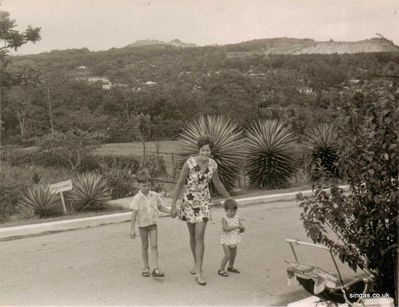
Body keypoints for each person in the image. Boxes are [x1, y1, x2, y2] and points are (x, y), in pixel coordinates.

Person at [171, 135, 232, 286]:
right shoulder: (189, 163)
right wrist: (174, 205)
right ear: (199, 150)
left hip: (204, 202)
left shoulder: (213, 164)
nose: (205, 153)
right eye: (203, 150)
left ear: (211, 151)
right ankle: (196, 263)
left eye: (208, 151)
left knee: (200, 235)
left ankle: (199, 272)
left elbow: (217, 183)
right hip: (189, 202)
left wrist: (229, 198)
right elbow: (179, 184)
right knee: (192, 235)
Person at [130, 169, 171, 278]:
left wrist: (171, 212)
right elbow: (133, 215)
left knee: (154, 245)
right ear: (138, 185)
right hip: (142, 225)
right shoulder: (137, 198)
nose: (147, 188)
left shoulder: (154, 195)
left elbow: (160, 207)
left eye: (149, 185)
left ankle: (156, 268)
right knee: (145, 246)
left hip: (153, 224)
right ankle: (146, 267)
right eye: (144, 186)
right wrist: (132, 229)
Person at [218, 198, 245, 277]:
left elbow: (241, 226)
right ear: (226, 210)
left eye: (234, 211)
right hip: (226, 240)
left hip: (234, 238)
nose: (233, 213)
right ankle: (221, 269)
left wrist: (242, 228)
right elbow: (225, 228)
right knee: (227, 255)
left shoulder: (236, 217)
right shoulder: (224, 218)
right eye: (231, 211)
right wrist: (236, 226)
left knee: (233, 254)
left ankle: (230, 266)